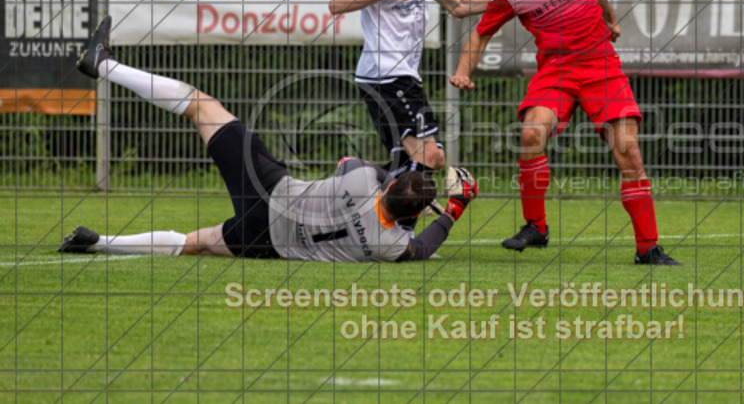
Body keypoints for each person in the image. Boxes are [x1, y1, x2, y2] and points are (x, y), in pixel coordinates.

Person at [58, 15, 478, 263]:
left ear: (389, 186)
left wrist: (415, 188)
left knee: (201, 106)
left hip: (271, 189)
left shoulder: (365, 181)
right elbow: (421, 248)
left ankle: (105, 65)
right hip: (269, 242)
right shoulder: (390, 245)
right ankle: (102, 244)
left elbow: (350, 164)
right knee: (197, 243)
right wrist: (454, 208)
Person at [449, 0, 679, 266]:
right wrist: (463, 71)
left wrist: (611, 19)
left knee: (629, 151)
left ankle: (648, 249)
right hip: (556, 71)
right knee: (530, 134)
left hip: (600, 64)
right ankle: (535, 227)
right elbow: (481, 32)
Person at [328, 0, 489, 179]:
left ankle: (355, 174)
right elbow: (336, 3)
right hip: (386, 75)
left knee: (408, 162)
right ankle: (388, 197)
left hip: (400, 75)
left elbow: (458, 6)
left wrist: (506, 0)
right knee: (432, 156)